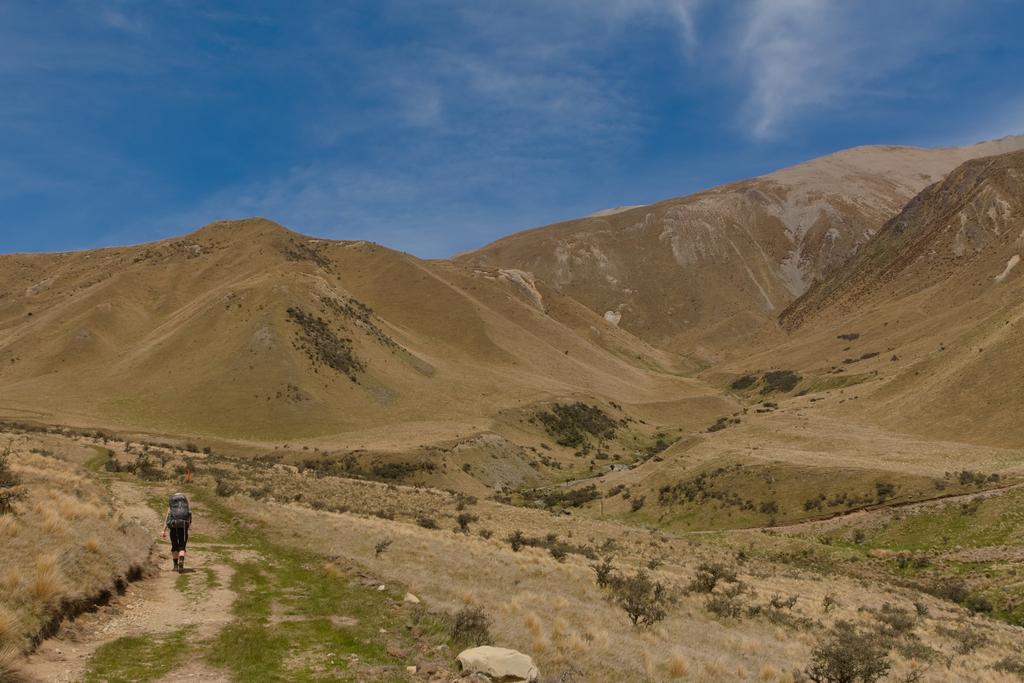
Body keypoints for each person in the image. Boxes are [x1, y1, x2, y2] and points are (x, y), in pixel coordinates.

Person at [161, 492, 192, 572]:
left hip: (173, 527)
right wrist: (188, 526)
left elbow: (167, 518)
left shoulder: (171, 506)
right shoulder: (185, 505)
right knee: (182, 547)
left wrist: (163, 530)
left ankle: (175, 566)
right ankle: (181, 561)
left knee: (174, 546)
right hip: (183, 527)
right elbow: (189, 516)